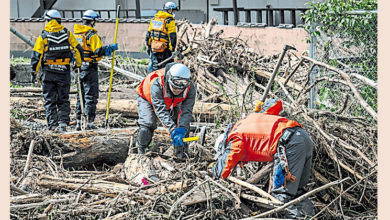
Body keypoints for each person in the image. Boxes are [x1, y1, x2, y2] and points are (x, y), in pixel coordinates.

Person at [212, 99, 315, 218]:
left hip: (288, 145)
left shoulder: (234, 139)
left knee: (280, 198)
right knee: (296, 192)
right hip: (302, 136)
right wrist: (262, 108)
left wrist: (213, 170)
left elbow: (222, 169)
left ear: (223, 146)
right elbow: (276, 103)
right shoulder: (250, 118)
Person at [31, 9, 84, 132]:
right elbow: (78, 50)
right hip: (63, 72)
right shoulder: (67, 34)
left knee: (49, 100)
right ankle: (63, 123)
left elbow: (36, 56)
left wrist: (34, 73)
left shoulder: (43, 36)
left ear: (49, 21)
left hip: (48, 72)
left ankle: (52, 126)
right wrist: (78, 65)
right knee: (63, 99)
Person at [135, 62, 196, 158]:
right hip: (147, 98)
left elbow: (186, 111)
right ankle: (140, 152)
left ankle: (180, 155)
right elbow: (161, 110)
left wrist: (181, 129)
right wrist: (172, 130)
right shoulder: (157, 84)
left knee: (182, 127)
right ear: (169, 80)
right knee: (147, 124)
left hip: (172, 101)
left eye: (181, 89)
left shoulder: (190, 89)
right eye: (174, 87)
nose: (177, 90)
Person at [73, 10, 118, 130]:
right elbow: (98, 51)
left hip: (78, 67)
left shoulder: (76, 34)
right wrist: (110, 48)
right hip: (90, 67)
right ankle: (89, 123)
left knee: (80, 95)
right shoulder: (91, 35)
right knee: (91, 95)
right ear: (92, 21)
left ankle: (78, 122)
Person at [145, 1, 178, 72]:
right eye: (173, 11)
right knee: (166, 70)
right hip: (165, 50)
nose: (173, 13)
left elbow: (148, 35)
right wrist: (172, 50)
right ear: (170, 10)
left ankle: (153, 82)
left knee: (155, 69)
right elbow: (172, 37)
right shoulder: (169, 20)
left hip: (154, 48)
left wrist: (148, 47)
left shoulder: (154, 19)